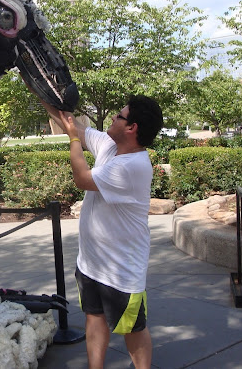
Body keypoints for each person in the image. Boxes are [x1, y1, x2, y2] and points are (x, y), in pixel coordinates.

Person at [39, 95, 163, 369]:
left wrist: (73, 139)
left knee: (133, 329)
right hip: (91, 263)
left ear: (131, 128)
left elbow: (82, 178)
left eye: (119, 116)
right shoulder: (110, 145)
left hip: (121, 270)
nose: (113, 117)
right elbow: (70, 122)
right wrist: (40, 90)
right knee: (94, 318)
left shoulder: (132, 166)